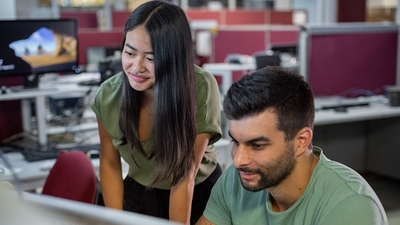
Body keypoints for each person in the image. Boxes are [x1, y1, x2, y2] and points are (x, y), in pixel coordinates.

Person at [196, 66, 388, 225]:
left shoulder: (351, 206)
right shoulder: (235, 179)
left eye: (258, 145)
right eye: (236, 142)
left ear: (301, 141)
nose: (238, 160)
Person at [90, 1, 222, 224]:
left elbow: (184, 177)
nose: (137, 67)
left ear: (174, 57)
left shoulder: (199, 86)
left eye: (151, 58)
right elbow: (110, 164)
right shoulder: (108, 95)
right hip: (140, 192)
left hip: (197, 193)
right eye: (130, 53)